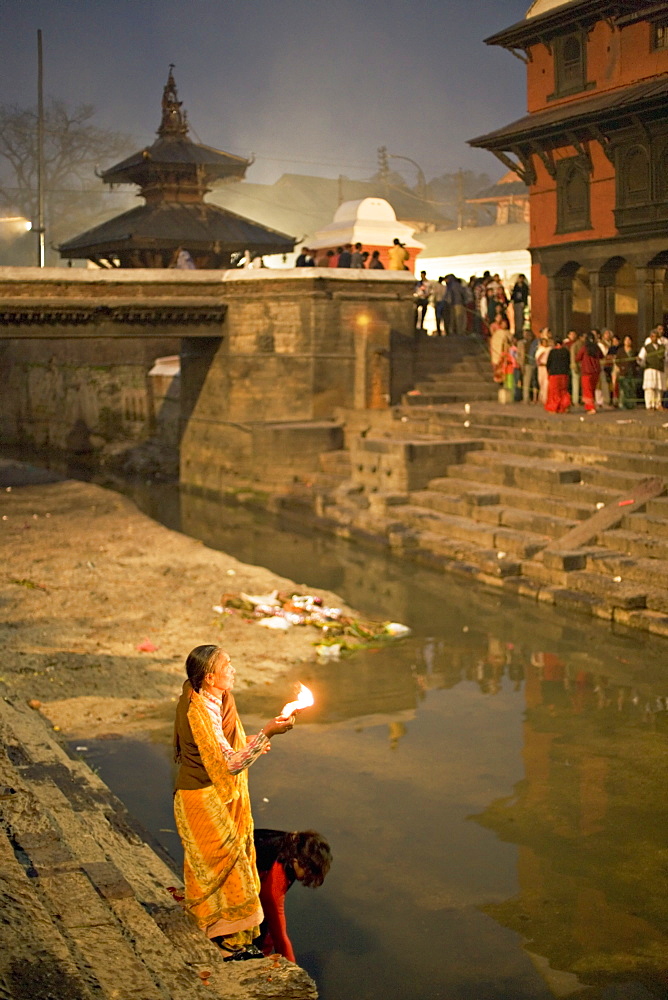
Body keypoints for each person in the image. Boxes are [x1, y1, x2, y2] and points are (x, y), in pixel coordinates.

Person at [173, 645, 295, 961]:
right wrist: (267, 733)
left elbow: (230, 748)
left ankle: (221, 932)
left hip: (216, 795)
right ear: (210, 677)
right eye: (227, 666)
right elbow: (226, 763)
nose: (234, 670)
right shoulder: (197, 710)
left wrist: (255, 743)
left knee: (220, 865)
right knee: (228, 867)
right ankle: (228, 942)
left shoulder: (221, 699)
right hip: (198, 797)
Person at [254, 829, 332, 962]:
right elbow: (278, 929)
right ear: (298, 861)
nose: (309, 876)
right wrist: (291, 965)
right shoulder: (276, 880)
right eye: (309, 871)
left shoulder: (293, 846)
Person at [638, 328, 666, 410]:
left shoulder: (662, 347)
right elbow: (641, 357)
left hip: (659, 369)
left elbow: (666, 357)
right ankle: (649, 405)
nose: (654, 338)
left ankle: (658, 404)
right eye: (653, 336)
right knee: (649, 387)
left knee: (659, 388)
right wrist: (639, 360)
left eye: (656, 337)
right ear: (650, 337)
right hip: (650, 370)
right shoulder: (646, 347)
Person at [577, 330, 603, 413]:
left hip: (586, 372)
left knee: (587, 390)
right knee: (592, 389)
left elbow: (577, 358)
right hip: (596, 371)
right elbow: (602, 356)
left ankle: (591, 407)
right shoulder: (597, 348)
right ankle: (592, 405)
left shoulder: (584, 348)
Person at [545, 336, 572, 412]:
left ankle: (554, 407)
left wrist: (548, 371)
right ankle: (565, 406)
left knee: (555, 392)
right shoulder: (566, 351)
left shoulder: (552, 352)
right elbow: (568, 362)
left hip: (554, 374)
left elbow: (548, 364)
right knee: (564, 391)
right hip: (564, 374)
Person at [614, 335, 639, 409]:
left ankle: (631, 404)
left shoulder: (634, 351)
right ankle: (622, 404)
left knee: (631, 388)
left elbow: (636, 362)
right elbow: (617, 361)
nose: (627, 342)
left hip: (632, 372)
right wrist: (621, 367)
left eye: (629, 340)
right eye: (626, 340)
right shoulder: (620, 351)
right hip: (623, 372)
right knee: (623, 389)